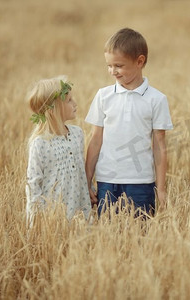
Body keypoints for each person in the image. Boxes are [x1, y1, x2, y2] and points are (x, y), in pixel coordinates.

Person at [85, 28, 173, 217]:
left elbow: (159, 146)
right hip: (106, 180)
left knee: (140, 236)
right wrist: (86, 180)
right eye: (109, 65)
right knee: (108, 236)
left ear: (140, 61)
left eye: (118, 65)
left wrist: (161, 188)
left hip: (141, 183)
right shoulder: (103, 96)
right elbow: (95, 140)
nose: (112, 71)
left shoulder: (156, 99)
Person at [25, 75, 91, 225]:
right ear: (55, 108)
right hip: (53, 217)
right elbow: (33, 185)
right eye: (69, 100)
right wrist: (34, 223)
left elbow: (81, 167)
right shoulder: (40, 143)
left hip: (80, 210)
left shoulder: (77, 134)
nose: (75, 103)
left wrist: (90, 189)